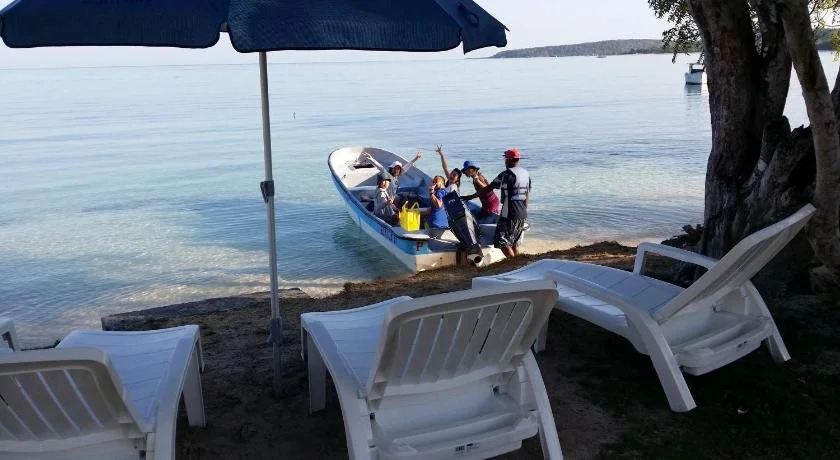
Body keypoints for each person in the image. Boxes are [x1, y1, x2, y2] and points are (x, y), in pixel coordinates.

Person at [475, 148, 531, 258]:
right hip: (522, 212)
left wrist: (471, 196)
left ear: (508, 159)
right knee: (513, 241)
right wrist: (523, 210)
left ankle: (512, 263)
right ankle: (518, 263)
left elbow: (488, 189)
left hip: (509, 213)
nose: (505, 161)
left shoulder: (506, 174)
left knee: (502, 241)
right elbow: (526, 194)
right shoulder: (525, 174)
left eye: (505, 159)